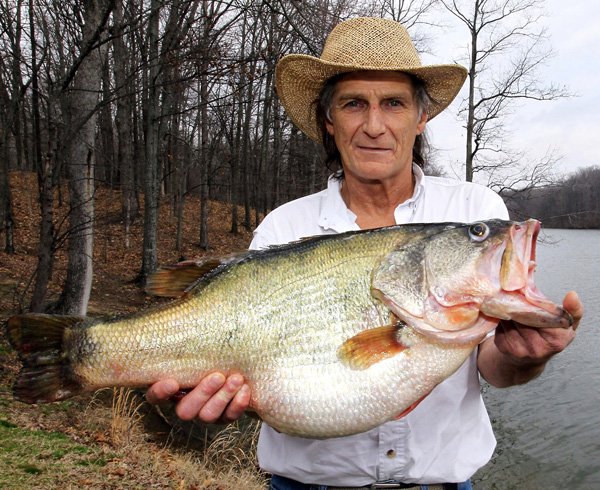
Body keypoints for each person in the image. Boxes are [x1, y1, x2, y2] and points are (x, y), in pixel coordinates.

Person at [146, 17, 583, 489]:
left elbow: (492, 367)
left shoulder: (474, 209)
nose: (374, 126)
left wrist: (525, 357)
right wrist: (219, 396)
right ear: (329, 121)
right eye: (354, 104)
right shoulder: (284, 227)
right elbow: (242, 368)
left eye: (393, 103)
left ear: (421, 118)